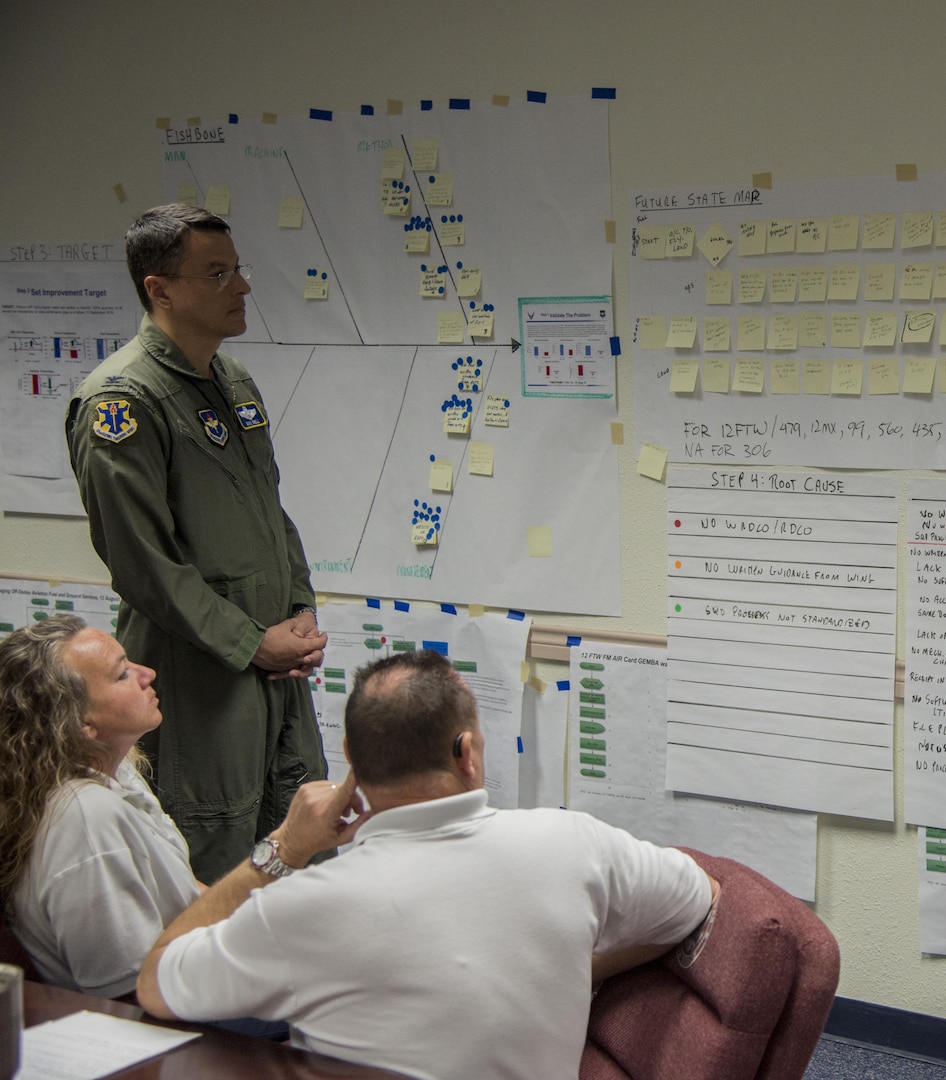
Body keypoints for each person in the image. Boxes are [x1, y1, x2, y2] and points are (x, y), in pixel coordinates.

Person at [137, 649, 719, 1080]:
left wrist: (285, 848)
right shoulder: (574, 843)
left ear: (350, 763)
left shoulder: (303, 905)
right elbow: (701, 897)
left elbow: (155, 986)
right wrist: (572, 961)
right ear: (466, 752)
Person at [66, 204, 327, 884]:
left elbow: (271, 514)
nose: (241, 288)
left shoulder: (233, 381)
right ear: (160, 290)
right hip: (199, 680)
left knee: (298, 844)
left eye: (237, 270)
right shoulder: (121, 402)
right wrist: (251, 642)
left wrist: (301, 613)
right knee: (214, 862)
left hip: (275, 669)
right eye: (218, 274)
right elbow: (143, 564)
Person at [0, 614, 199, 998]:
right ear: (81, 724)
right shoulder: (86, 814)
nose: (147, 674)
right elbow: (130, 992)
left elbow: (183, 890)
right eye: (122, 674)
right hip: (158, 1008)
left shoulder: (119, 769)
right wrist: (281, 853)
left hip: (185, 971)